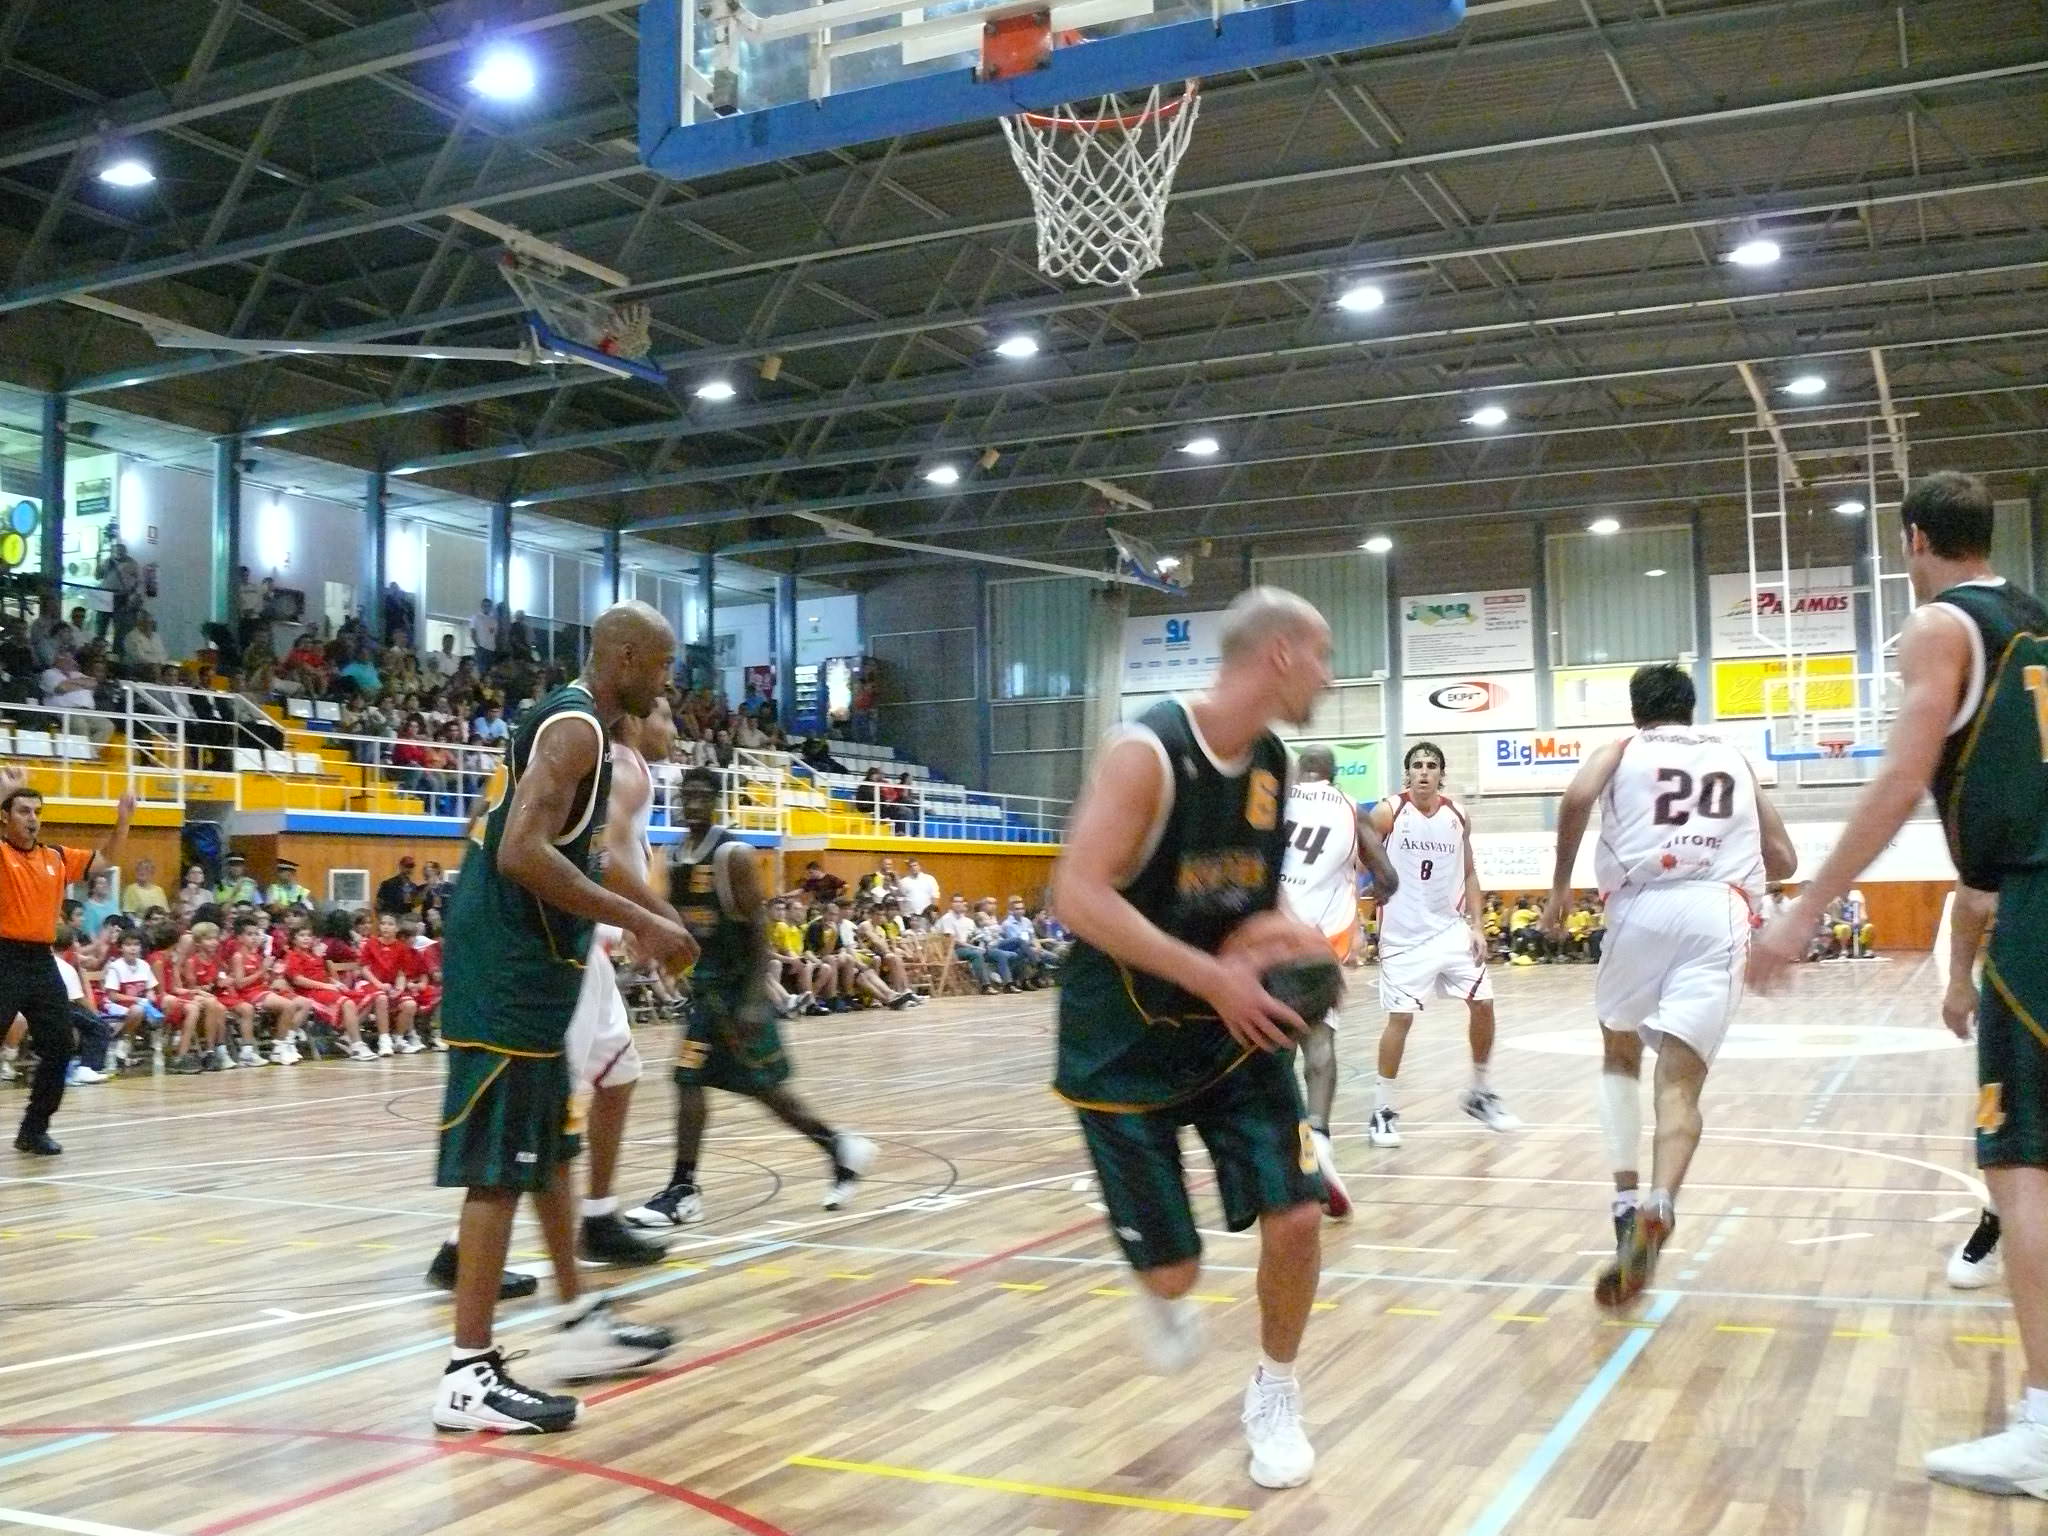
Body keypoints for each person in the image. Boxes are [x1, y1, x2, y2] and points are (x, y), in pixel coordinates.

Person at [1748, 471, 2048, 1496]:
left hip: (2033, 902)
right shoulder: (2036, 623)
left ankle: (2043, 1430)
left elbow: (1901, 773)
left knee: (2023, 1169)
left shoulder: (1939, 627)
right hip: (2022, 890)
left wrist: (1806, 908)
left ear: (1913, 538)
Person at [1051, 587, 1334, 1490]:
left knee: (1298, 1217)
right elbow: (1076, 895)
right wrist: (1212, 975)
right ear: (1280, 654)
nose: (1328, 677)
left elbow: (1252, 898)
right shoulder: (1147, 754)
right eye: (1322, 656)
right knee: (1176, 1276)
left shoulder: (1273, 764)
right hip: (1122, 1042)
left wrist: (1291, 943)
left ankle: (1276, 1393)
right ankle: (1163, 1281)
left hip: (1232, 1031)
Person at [432, 600, 696, 1435]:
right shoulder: (577, 729)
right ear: (624, 658)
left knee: (545, 1144)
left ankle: (578, 1320)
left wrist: (647, 916)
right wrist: (643, 919)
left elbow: (569, 850)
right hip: (507, 968)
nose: (668, 683)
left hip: (534, 965)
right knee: (499, 1168)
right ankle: (467, 1374)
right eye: (662, 665)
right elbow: (520, 851)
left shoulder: (585, 732)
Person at [1541, 663, 1795, 1306]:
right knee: (1681, 1084)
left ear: (1637, 711)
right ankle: (1662, 1200)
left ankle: (1626, 1200)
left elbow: (1575, 799)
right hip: (1720, 912)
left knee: (1619, 1049)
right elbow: (1785, 857)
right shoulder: (1733, 758)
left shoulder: (1621, 749)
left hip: (1642, 905)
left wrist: (1561, 886)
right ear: (1691, 707)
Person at [626, 767, 877, 1231]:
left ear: (716, 802)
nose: (693, 802)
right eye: (686, 794)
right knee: (688, 1079)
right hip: (707, 994)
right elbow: (681, 923)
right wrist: (658, 951)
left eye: (702, 795)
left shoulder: (733, 855)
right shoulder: (674, 855)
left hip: (738, 992)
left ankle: (838, 1148)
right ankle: (684, 1188)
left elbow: (759, 931)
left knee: (768, 1093)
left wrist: (754, 997)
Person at [1365, 742, 1518, 1148]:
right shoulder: (1390, 811)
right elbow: (1360, 847)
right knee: (1401, 1019)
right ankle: (1382, 1110)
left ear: (1441, 774)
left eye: (1431, 765)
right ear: (1407, 773)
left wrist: (1477, 926)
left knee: (1484, 1003)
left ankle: (1479, 1092)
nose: (1424, 771)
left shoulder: (1458, 815)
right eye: (1417, 765)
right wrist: (1372, 882)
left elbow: (1469, 873)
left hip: (1449, 929)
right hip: (1403, 935)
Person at [1277, 743, 1399, 1222]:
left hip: (1269, 936)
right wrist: (1366, 894)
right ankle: (1319, 1139)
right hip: (1320, 942)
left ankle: (1281, 1150)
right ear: (1334, 775)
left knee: (1274, 1047)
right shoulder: (1350, 808)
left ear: (1301, 772)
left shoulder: (1276, 799)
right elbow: (1388, 877)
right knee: (1319, 1043)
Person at [2, 776, 134, 1154]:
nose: (32, 818)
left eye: (37, 812)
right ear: (6, 817)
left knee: (61, 1044)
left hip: (41, 962)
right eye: (23, 811)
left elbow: (105, 860)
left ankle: (33, 1129)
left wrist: (123, 821)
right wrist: (3, 793)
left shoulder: (56, 857)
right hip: (3, 958)